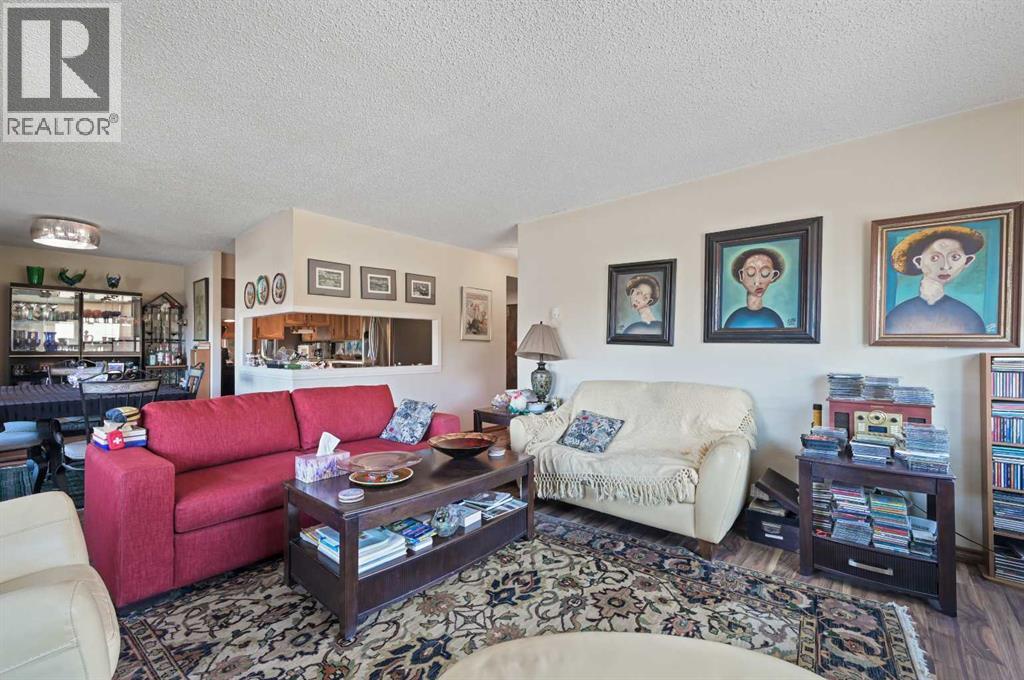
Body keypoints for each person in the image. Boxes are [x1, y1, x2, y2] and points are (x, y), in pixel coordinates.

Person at [884, 225, 986, 334]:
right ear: (918, 262)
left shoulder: (970, 318)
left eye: (955, 257)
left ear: (967, 260)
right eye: (934, 258)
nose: (945, 266)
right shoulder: (897, 316)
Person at [724, 248, 785, 329]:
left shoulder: (775, 320)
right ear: (741, 275)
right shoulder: (733, 320)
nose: (757, 282)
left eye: (765, 273)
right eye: (750, 272)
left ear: (773, 276)